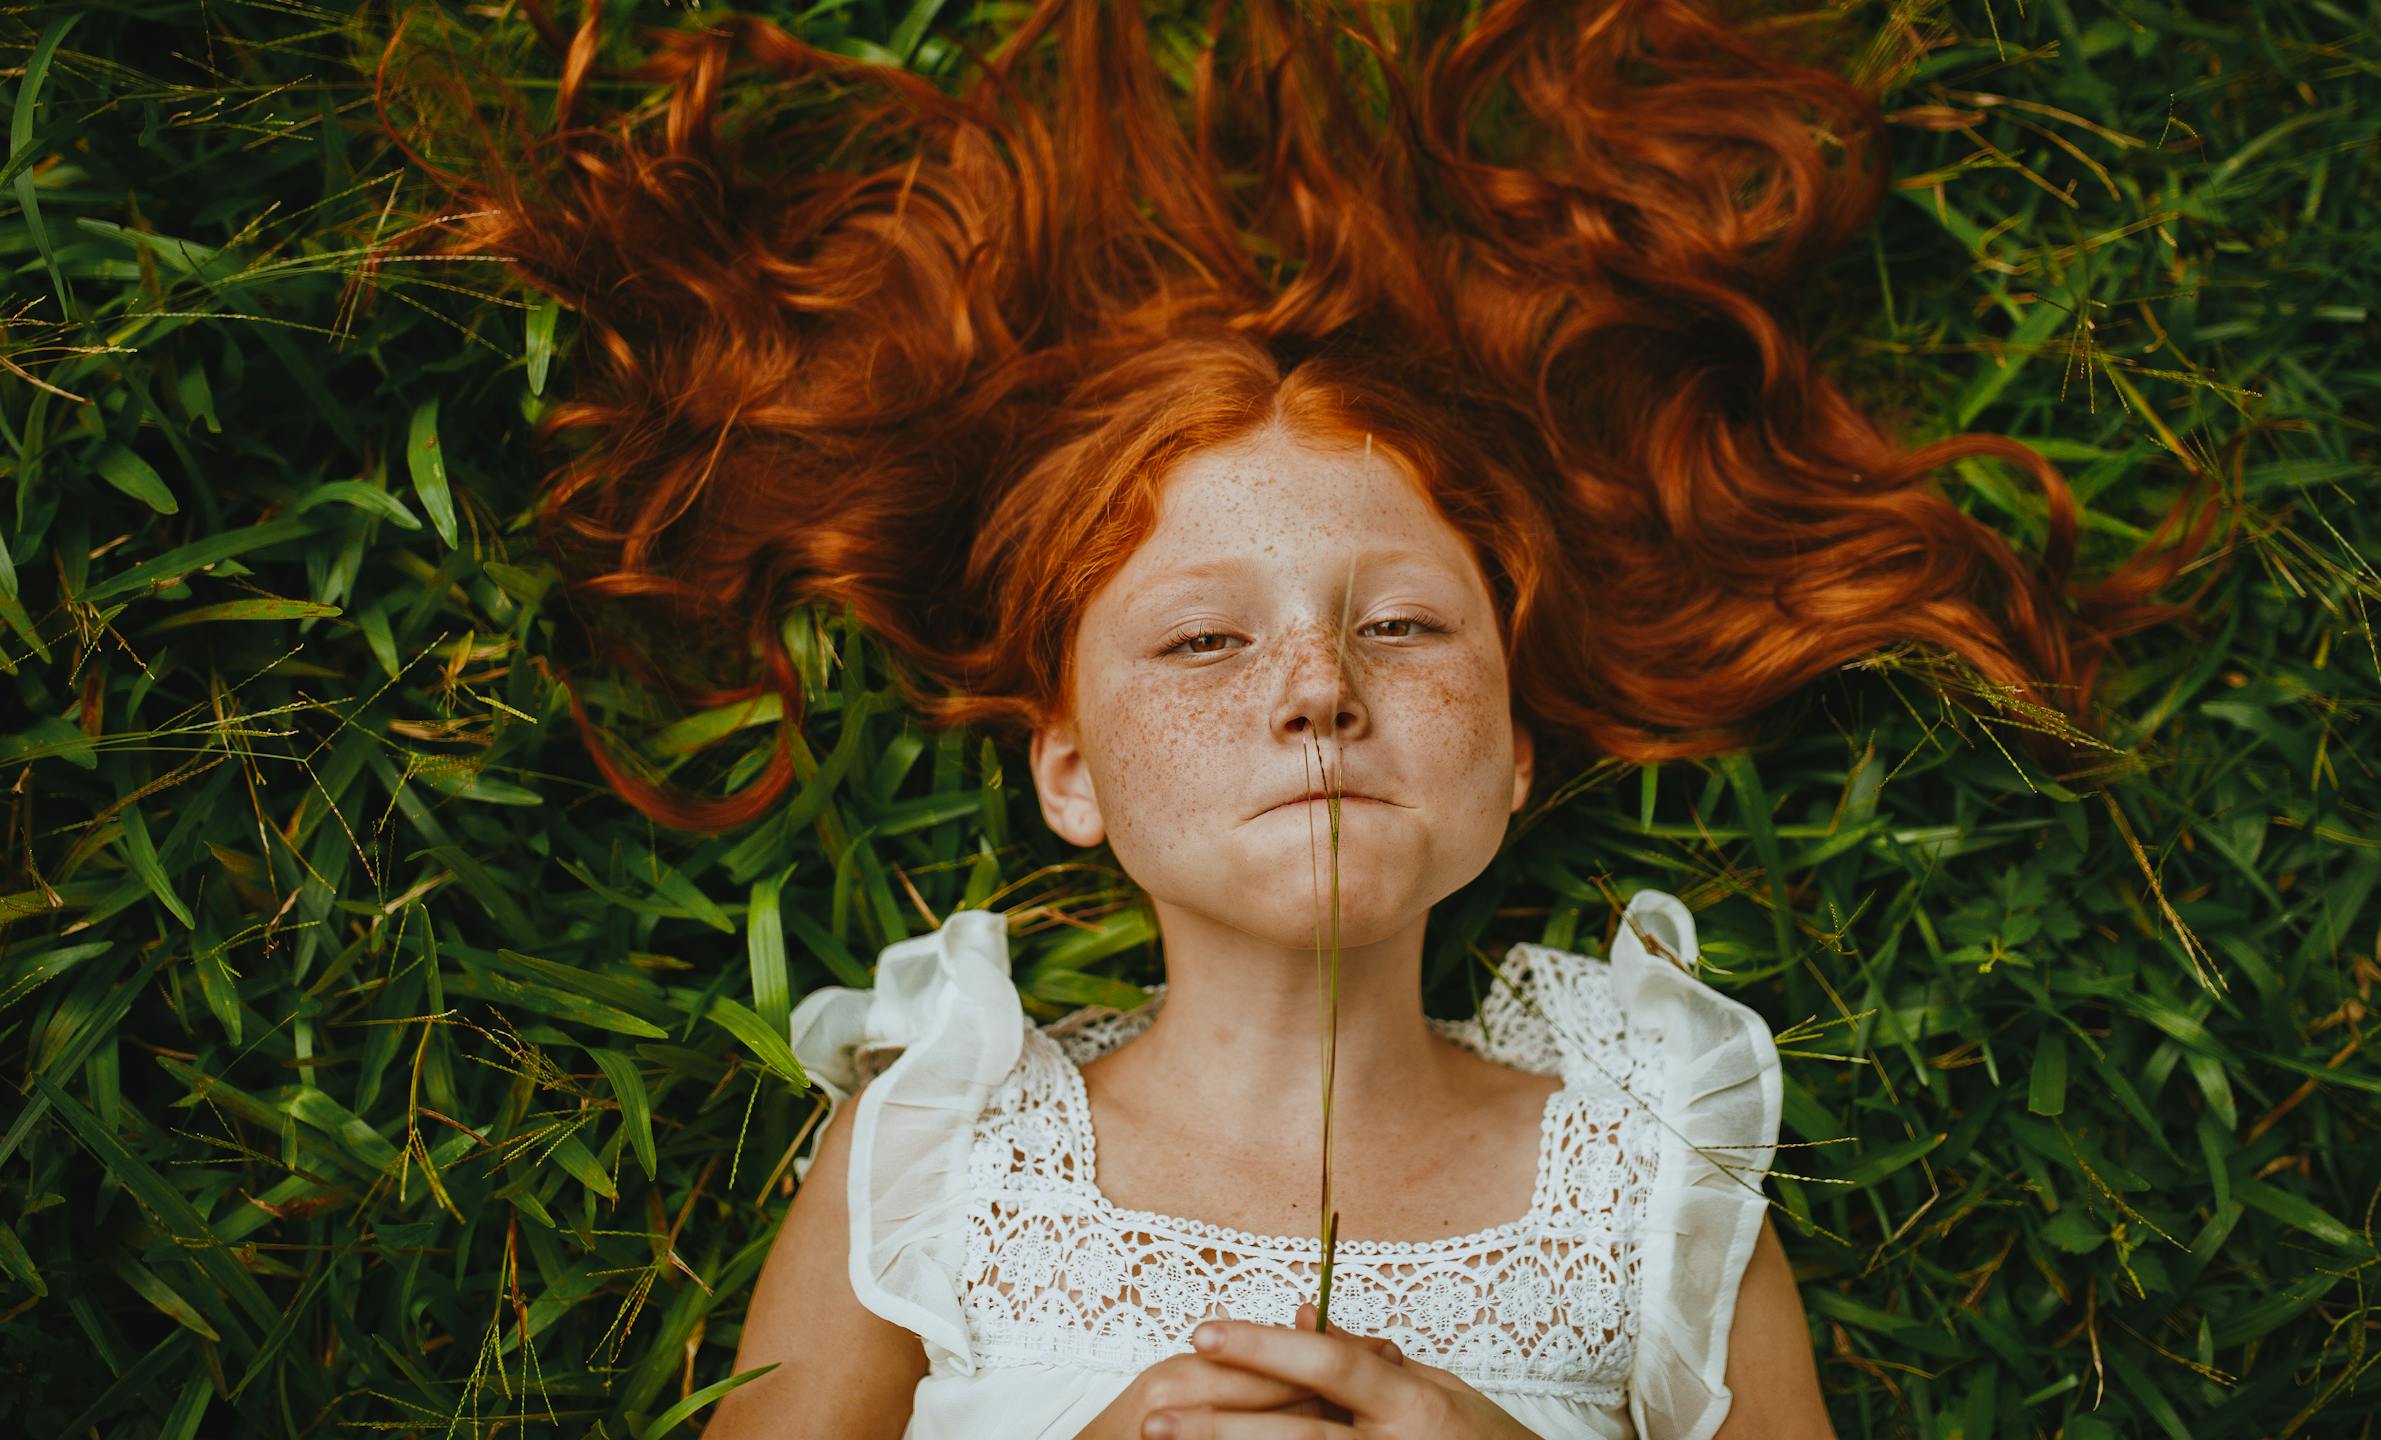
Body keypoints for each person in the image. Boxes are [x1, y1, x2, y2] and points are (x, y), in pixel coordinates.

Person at [378, 0, 2221, 1434]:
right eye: (1200, 646)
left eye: (1406, 626)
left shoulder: (1650, 1158)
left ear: (1513, 756)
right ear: (1072, 774)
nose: (1320, 687)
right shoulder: (946, 1142)